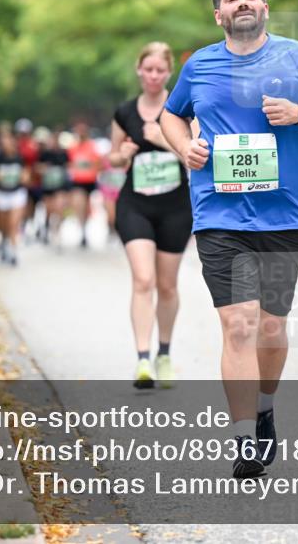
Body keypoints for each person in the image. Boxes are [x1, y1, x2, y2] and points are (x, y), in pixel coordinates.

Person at [160, 0, 298, 478]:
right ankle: (244, 438)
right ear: (218, 13)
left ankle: (265, 409)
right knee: (238, 324)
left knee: (270, 326)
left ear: (264, 8)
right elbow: (170, 116)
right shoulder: (199, 66)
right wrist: (185, 147)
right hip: (218, 213)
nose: (241, 3)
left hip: (284, 214)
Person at [110, 42, 193, 389]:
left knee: (167, 285)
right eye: (149, 69)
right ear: (139, 70)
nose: (154, 76)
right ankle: (142, 359)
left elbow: (193, 156)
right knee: (143, 280)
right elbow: (113, 159)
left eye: (161, 70)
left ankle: (164, 353)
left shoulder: (183, 109)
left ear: (169, 72)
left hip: (175, 207)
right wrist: (122, 154)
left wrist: (162, 140)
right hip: (135, 205)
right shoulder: (124, 112)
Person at [0, 130, 28, 266]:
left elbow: (25, 175)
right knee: (4, 225)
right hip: (1, 194)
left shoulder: (19, 158)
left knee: (13, 224)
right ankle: (5, 244)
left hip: (16, 193)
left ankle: (13, 251)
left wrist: (24, 177)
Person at [68, 122, 102, 249]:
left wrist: (89, 167)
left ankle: (84, 229)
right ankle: (81, 229)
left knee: (86, 207)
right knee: (79, 204)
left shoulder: (92, 146)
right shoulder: (72, 147)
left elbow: (98, 164)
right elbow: (69, 163)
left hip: (90, 180)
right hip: (77, 181)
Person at [37, 128, 71, 248]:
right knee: (49, 210)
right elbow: (38, 167)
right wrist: (44, 168)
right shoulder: (45, 154)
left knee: (59, 208)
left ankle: (58, 232)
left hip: (60, 185)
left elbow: (69, 168)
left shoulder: (64, 154)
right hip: (48, 186)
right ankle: (46, 227)